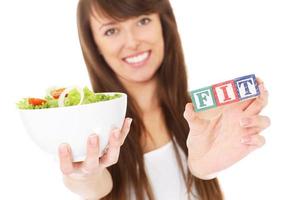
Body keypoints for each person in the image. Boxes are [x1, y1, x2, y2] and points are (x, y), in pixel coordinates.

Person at [57, 0, 271, 199]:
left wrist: (203, 170)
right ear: (94, 45)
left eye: (143, 20)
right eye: (111, 30)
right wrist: (83, 175)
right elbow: (95, 185)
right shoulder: (89, 124)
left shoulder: (203, 116)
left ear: (163, 25)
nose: (132, 42)